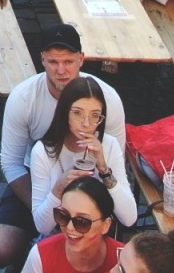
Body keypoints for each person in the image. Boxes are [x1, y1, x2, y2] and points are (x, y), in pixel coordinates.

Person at [0, 24, 126, 270]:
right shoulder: (23, 98)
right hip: (37, 177)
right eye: (53, 62)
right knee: (1, 250)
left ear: (81, 59)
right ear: (42, 59)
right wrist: (48, 211)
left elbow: (116, 158)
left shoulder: (108, 99)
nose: (61, 70)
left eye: (69, 62)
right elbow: (10, 162)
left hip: (92, 184)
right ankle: (20, 268)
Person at [26, 78, 137, 234]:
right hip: (61, 235)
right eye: (78, 113)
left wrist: (104, 170)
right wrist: (59, 188)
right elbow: (42, 226)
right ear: (64, 112)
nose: (86, 123)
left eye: (95, 115)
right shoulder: (43, 152)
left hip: (97, 236)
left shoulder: (109, 145)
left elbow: (129, 218)